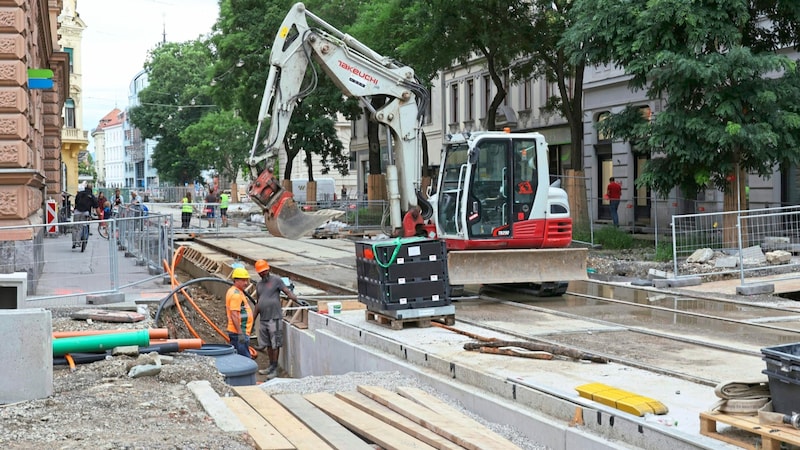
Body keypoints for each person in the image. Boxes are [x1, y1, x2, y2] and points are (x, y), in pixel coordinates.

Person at [253, 259, 297, 378]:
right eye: (261, 272)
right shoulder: (259, 285)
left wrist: (296, 300)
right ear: (258, 273)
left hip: (275, 318)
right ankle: (271, 366)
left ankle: (275, 368)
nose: (264, 273)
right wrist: (253, 319)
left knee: (275, 344)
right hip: (264, 319)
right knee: (268, 344)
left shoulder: (276, 280)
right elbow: (258, 302)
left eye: (265, 271)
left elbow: (287, 291)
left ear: (269, 269)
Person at [226, 267, 254, 358]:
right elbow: (234, 314)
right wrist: (240, 333)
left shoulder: (235, 291)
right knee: (244, 359)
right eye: (243, 280)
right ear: (236, 280)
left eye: (246, 280)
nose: (246, 283)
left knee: (239, 357)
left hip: (240, 331)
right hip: (239, 332)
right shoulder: (236, 295)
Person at [72, 184, 98, 249]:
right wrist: (99, 215)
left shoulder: (80, 193)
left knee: (75, 227)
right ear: (91, 188)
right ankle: (78, 242)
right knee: (81, 227)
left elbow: (76, 201)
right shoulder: (91, 196)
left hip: (77, 212)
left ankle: (74, 242)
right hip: (85, 212)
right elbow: (96, 205)